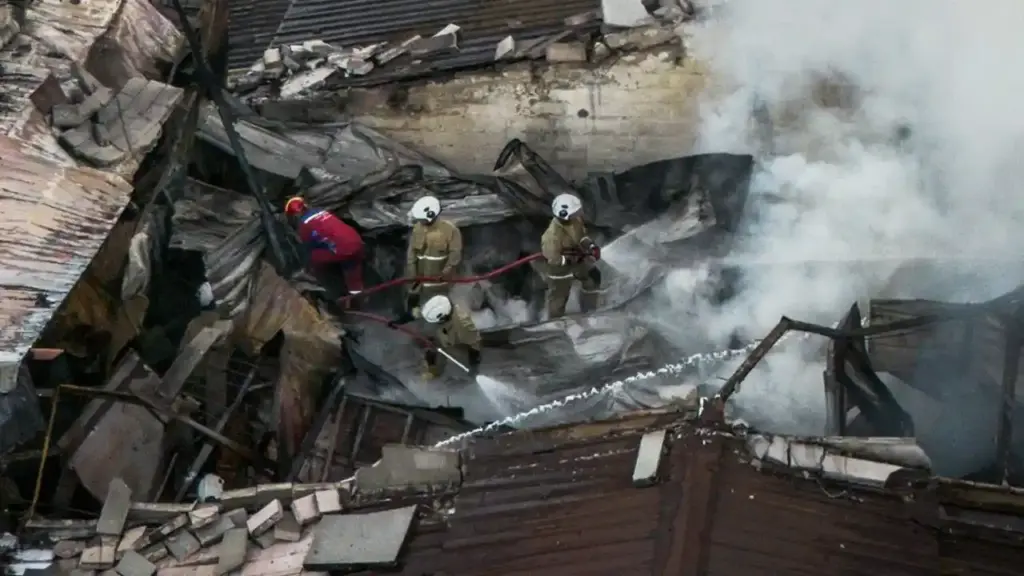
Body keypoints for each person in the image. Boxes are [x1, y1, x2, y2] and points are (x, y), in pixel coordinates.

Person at [284, 197, 364, 297]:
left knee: (312, 256)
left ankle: (315, 281)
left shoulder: (304, 225)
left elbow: (309, 246)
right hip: (356, 240)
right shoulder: (321, 211)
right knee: (352, 268)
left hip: (343, 250)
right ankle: (357, 295)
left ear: (294, 215)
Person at [541, 193, 602, 319]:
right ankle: (554, 322)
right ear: (564, 215)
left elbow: (581, 236)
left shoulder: (576, 221)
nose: (578, 214)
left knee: (593, 277)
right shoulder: (551, 236)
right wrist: (569, 259)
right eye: (575, 212)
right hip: (560, 270)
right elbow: (553, 258)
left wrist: (590, 246)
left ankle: (589, 311)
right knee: (559, 297)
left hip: (577, 260)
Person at [403, 195, 463, 319]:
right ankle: (412, 315)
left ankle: (437, 320)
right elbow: (412, 251)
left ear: (430, 215)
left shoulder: (450, 230)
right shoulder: (417, 228)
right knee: (413, 295)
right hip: (418, 275)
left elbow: (455, 253)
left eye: (421, 219)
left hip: (438, 278)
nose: (420, 221)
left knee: (437, 302)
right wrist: (412, 271)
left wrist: (446, 271)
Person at [417, 294, 481, 380]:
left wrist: (474, 365)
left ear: (443, 318)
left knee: (447, 350)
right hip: (447, 331)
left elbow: (474, 343)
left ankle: (434, 369)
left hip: (460, 339)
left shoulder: (463, 326)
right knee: (435, 342)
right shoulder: (444, 307)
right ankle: (432, 364)